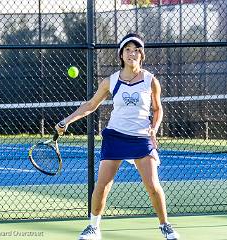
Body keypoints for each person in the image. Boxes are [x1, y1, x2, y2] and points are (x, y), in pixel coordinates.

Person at [55, 33, 180, 240]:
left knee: (152, 186)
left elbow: (158, 109)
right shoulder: (110, 81)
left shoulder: (151, 81)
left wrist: (154, 129)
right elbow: (90, 105)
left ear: (142, 55)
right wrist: (66, 121)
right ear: (121, 55)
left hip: (140, 138)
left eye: (136, 50)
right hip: (115, 136)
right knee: (102, 185)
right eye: (128, 50)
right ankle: (93, 227)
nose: (132, 53)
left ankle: (165, 226)